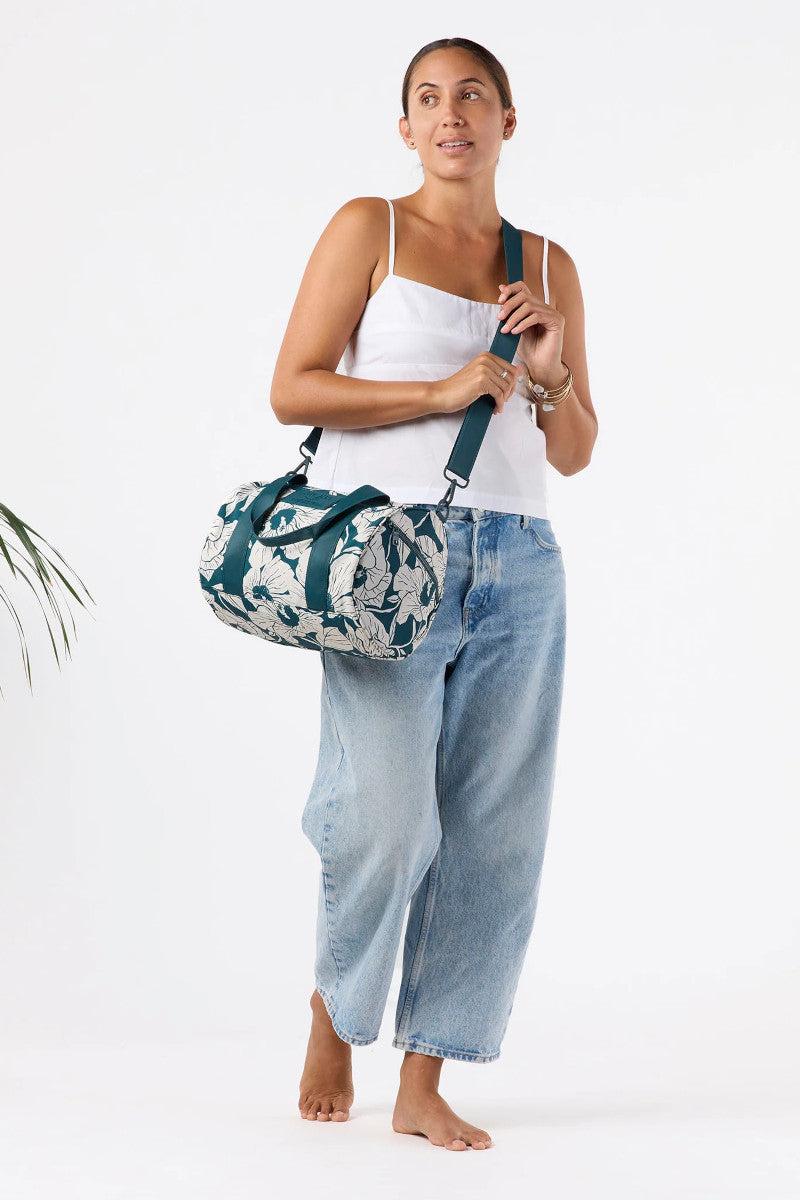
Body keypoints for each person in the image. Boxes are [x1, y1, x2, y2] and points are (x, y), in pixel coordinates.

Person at [270, 36, 598, 1152]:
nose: (451, 112)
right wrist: (441, 390)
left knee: (495, 832)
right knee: (385, 812)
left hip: (520, 559)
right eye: (428, 98)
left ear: (509, 120)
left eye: (472, 95)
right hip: (385, 552)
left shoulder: (546, 264)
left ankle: (425, 1075)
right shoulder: (369, 226)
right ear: (405, 128)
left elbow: (575, 451)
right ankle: (336, 1006)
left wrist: (549, 375)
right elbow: (293, 389)